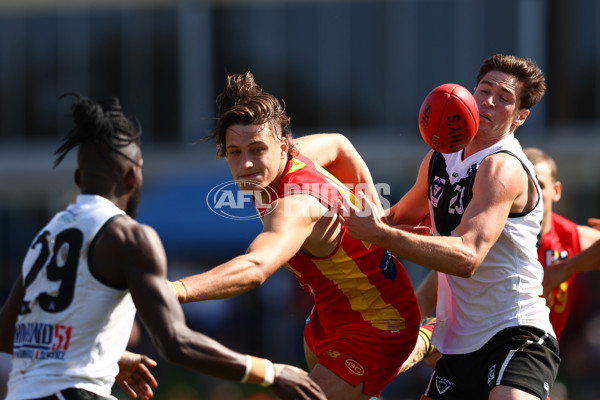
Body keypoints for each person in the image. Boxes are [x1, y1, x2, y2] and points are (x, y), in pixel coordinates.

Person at [0, 93, 326, 400]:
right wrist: (270, 372)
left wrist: (109, 356)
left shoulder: (48, 235)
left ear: (78, 178)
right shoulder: (129, 236)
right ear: (133, 178)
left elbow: (6, 333)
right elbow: (176, 342)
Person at [167, 72, 422, 400]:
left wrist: (173, 290)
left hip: (379, 325)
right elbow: (341, 145)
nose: (246, 163)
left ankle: (425, 336)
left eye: (257, 149)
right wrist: (376, 217)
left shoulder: (293, 207)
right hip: (328, 316)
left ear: (282, 147)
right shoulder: (297, 157)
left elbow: (255, 267)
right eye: (235, 152)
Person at [336, 54, 560, 400]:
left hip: (516, 332)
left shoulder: (503, 167)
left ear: (520, 118)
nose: (488, 101)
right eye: (484, 90)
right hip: (459, 341)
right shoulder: (441, 155)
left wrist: (381, 234)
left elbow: (467, 257)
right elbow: (395, 219)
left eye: (504, 98)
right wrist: (331, 223)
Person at [523, 147, 600, 336]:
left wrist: (565, 267)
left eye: (539, 185)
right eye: (523, 186)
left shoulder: (570, 236)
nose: (531, 195)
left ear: (556, 191)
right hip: (491, 353)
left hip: (546, 353)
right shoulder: (492, 236)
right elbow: (437, 293)